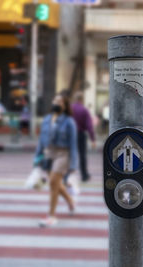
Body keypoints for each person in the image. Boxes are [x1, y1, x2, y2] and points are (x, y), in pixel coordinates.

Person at [34, 94, 78, 227]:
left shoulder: (69, 121)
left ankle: (51, 216)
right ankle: (70, 202)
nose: (56, 103)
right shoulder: (47, 119)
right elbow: (42, 139)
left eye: (60, 102)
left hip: (63, 154)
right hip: (49, 152)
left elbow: (73, 144)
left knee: (53, 182)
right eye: (55, 100)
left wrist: (73, 164)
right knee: (56, 184)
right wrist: (37, 156)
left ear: (65, 106)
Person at [71, 91, 96, 182]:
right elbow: (89, 126)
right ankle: (84, 175)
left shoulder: (70, 108)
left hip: (70, 135)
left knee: (69, 154)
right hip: (80, 135)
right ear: (82, 99)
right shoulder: (84, 110)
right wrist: (92, 139)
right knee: (82, 156)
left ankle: (66, 176)